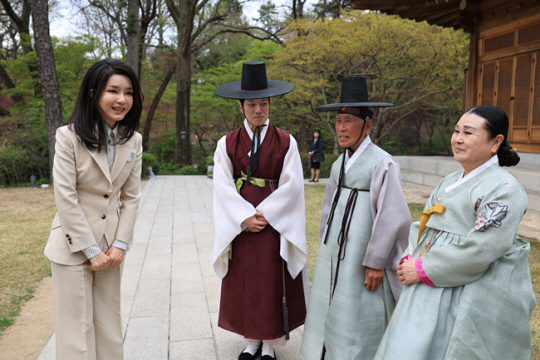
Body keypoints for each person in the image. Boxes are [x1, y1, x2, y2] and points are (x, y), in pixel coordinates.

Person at [374, 105, 536, 360]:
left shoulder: (504, 188)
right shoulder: (449, 180)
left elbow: (482, 248)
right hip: (425, 274)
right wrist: (410, 257)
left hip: (467, 283)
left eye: (468, 133)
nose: (458, 139)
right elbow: (423, 226)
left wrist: (423, 268)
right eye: (456, 131)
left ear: (496, 142)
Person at [300, 76, 412, 360]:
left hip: (362, 256)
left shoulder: (383, 163)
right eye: (338, 122)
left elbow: (392, 217)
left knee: (358, 314)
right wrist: (326, 248)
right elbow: (327, 208)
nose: (342, 128)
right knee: (329, 307)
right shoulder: (340, 162)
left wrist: (375, 262)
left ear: (368, 124)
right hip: (333, 252)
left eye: (349, 120)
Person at [44, 59, 143, 360]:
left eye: (128, 92)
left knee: (108, 324)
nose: (122, 100)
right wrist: (90, 250)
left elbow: (131, 197)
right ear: (93, 93)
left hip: (111, 247)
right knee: (77, 332)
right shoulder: (68, 136)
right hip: (72, 246)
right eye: (113, 91)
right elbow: (66, 196)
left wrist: (120, 245)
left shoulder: (134, 140)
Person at [212, 60, 309, 360]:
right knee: (245, 278)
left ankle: (270, 342)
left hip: (273, 221)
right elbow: (223, 184)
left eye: (264, 104)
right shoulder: (226, 143)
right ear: (240, 107)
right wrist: (244, 217)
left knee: (270, 278)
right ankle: (251, 339)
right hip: (242, 223)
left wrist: (265, 214)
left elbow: (293, 184)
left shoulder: (285, 141)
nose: (259, 110)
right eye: (252, 105)